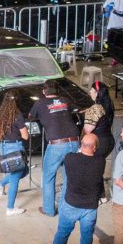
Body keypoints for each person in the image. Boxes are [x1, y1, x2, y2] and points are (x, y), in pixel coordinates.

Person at [45, 134, 105, 244]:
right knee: (87, 236)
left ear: (81, 145)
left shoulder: (70, 159)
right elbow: (96, 155)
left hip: (71, 203)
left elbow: (76, 155)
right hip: (90, 207)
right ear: (95, 148)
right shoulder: (100, 162)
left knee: (63, 232)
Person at [30, 83, 81, 216]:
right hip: (75, 141)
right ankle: (65, 207)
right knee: (68, 176)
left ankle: (49, 209)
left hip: (57, 143)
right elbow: (76, 110)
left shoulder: (40, 103)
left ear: (44, 91)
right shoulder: (65, 100)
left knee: (48, 176)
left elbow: (31, 116)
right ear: (58, 91)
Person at [0, 90, 30, 217]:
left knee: (23, 171)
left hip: (4, 146)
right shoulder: (17, 116)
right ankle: (10, 208)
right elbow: (25, 136)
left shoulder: (0, 114)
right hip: (15, 148)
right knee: (15, 179)